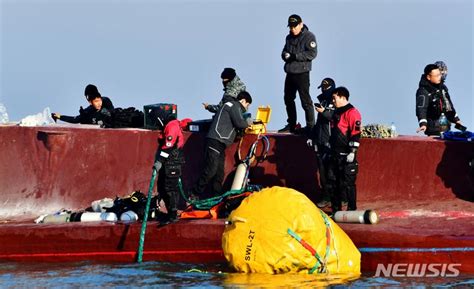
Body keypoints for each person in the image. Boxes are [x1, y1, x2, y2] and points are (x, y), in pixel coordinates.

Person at [191, 91, 252, 198]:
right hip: (215, 141)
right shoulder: (234, 106)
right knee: (211, 170)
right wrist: (248, 122)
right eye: (247, 105)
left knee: (219, 174)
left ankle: (217, 198)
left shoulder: (231, 106)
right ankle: (194, 193)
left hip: (220, 144)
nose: (247, 108)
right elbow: (239, 123)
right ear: (243, 101)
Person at [278, 14, 317, 134]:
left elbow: (312, 54)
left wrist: (295, 56)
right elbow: (284, 51)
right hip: (290, 73)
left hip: (302, 73)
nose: (293, 29)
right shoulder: (288, 37)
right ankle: (291, 124)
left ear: (301, 24)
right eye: (291, 27)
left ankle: (311, 126)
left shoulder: (309, 36)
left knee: (305, 101)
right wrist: (285, 55)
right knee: (288, 99)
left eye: (295, 26)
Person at [326, 87, 361, 214]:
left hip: (347, 155)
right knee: (332, 183)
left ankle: (351, 210)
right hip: (334, 154)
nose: (333, 100)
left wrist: (352, 151)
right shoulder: (336, 113)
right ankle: (336, 210)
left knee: (348, 184)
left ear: (342, 97)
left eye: (334, 98)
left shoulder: (352, 113)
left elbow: (356, 133)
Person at [152, 109, 185, 224]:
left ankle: (173, 214)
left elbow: (168, 146)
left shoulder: (172, 127)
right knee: (161, 187)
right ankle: (169, 213)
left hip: (172, 162)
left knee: (170, 188)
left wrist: (159, 160)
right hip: (167, 162)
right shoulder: (168, 126)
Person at [307, 78, 336, 208]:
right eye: (322, 87)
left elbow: (334, 117)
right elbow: (319, 124)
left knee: (331, 173)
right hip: (320, 142)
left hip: (331, 143)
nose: (324, 89)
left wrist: (324, 111)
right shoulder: (322, 101)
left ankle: (334, 197)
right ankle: (325, 196)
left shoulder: (336, 102)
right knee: (322, 172)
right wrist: (312, 137)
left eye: (327, 87)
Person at [416, 63, 462, 136]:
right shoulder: (423, 91)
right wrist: (423, 124)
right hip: (433, 131)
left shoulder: (443, 88)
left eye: (440, 74)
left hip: (446, 129)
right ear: (428, 77)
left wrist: (456, 120)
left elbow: (449, 105)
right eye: (437, 75)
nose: (440, 77)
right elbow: (421, 109)